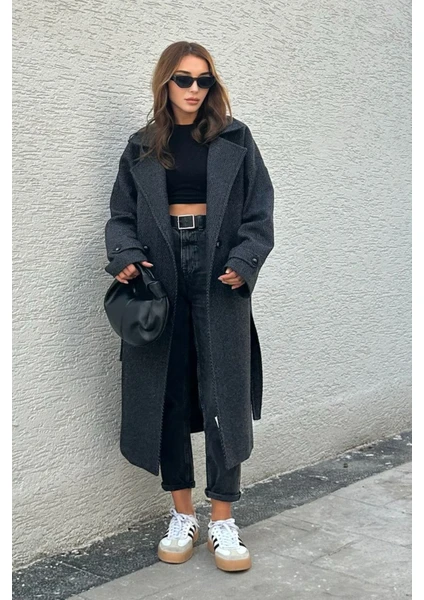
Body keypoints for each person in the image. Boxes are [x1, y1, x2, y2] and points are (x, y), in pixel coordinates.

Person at [104, 41, 274, 573]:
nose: (194, 89)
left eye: (204, 80)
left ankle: (222, 518)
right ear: (165, 83)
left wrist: (244, 260)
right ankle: (183, 514)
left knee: (223, 389)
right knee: (168, 390)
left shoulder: (236, 139)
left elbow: (259, 212)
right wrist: (126, 256)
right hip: (160, 270)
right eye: (184, 79)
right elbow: (120, 215)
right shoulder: (141, 146)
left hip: (219, 270)